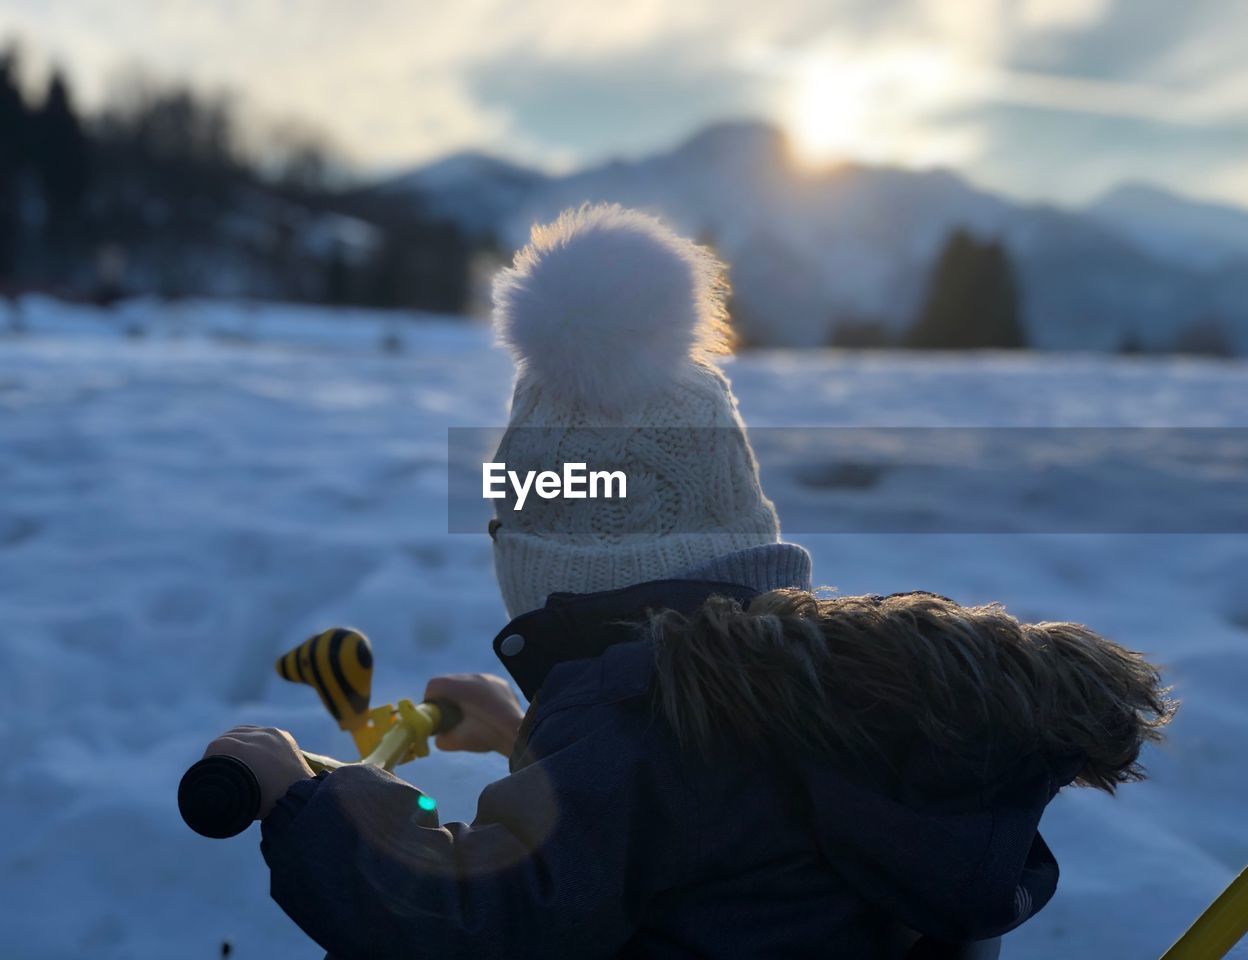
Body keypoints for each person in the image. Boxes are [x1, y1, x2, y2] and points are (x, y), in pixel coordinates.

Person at [206, 206, 1175, 958]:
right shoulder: (807, 693)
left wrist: (303, 800)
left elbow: (478, 923)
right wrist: (527, 741)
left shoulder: (638, 722)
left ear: (553, 567)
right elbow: (695, 829)